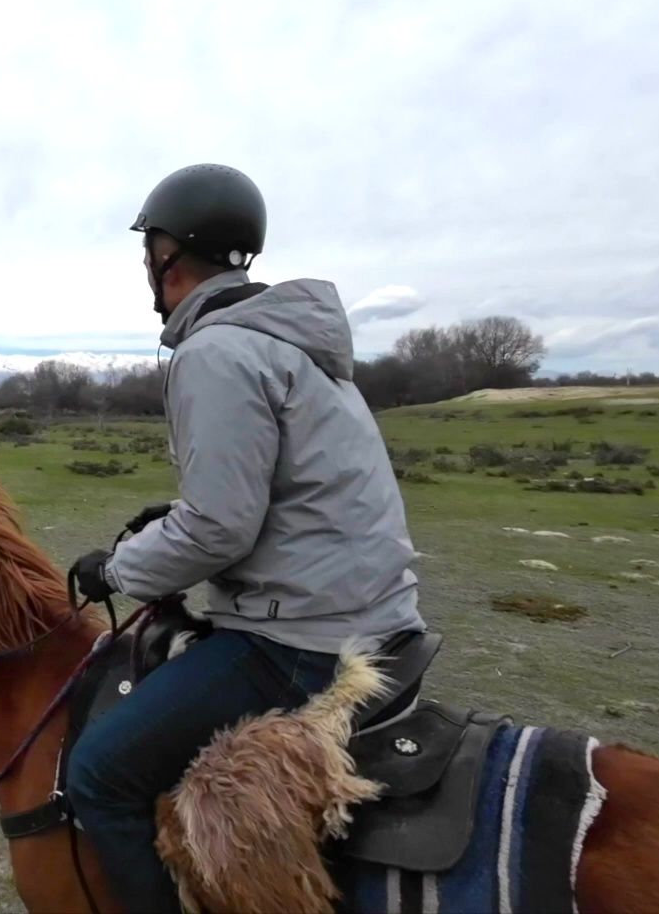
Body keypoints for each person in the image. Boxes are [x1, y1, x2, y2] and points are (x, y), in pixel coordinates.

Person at [65, 163, 425, 913]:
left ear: (169, 255)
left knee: (98, 772)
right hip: (372, 613)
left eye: (150, 251)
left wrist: (117, 568)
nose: (148, 265)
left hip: (300, 642)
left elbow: (222, 527)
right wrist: (177, 514)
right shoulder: (294, 348)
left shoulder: (216, 352)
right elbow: (279, 492)